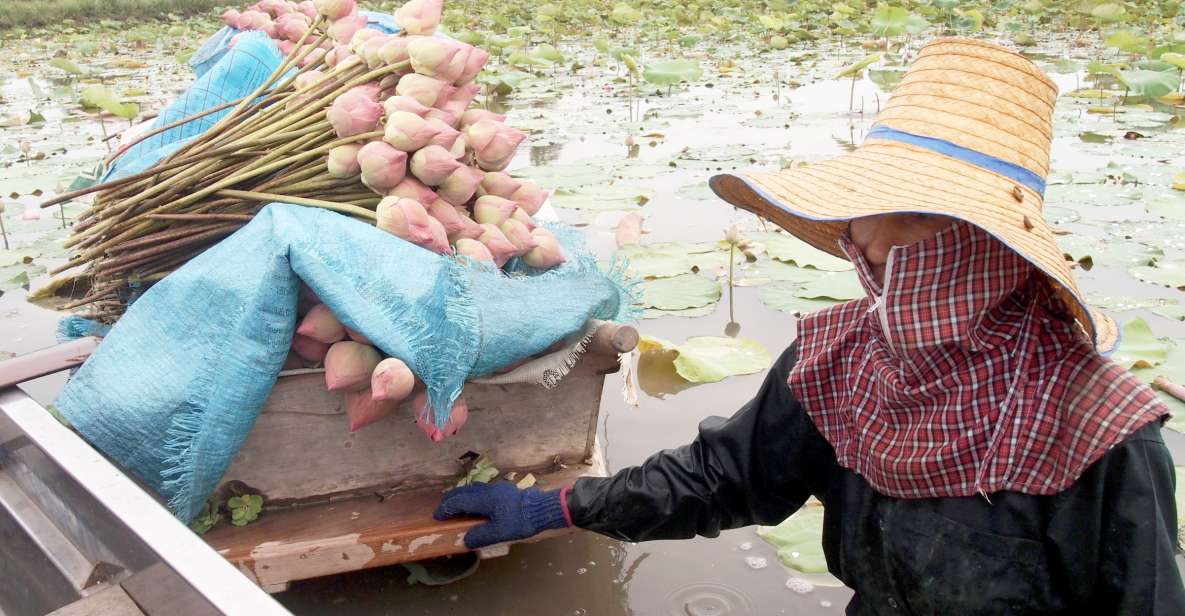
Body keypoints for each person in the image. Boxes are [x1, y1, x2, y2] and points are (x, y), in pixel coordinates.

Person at [434, 38, 1185, 614]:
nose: (861, 241)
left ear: (978, 241)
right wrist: (561, 505)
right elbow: (724, 477)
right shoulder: (843, 358)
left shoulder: (1096, 430)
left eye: (901, 215)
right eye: (862, 211)